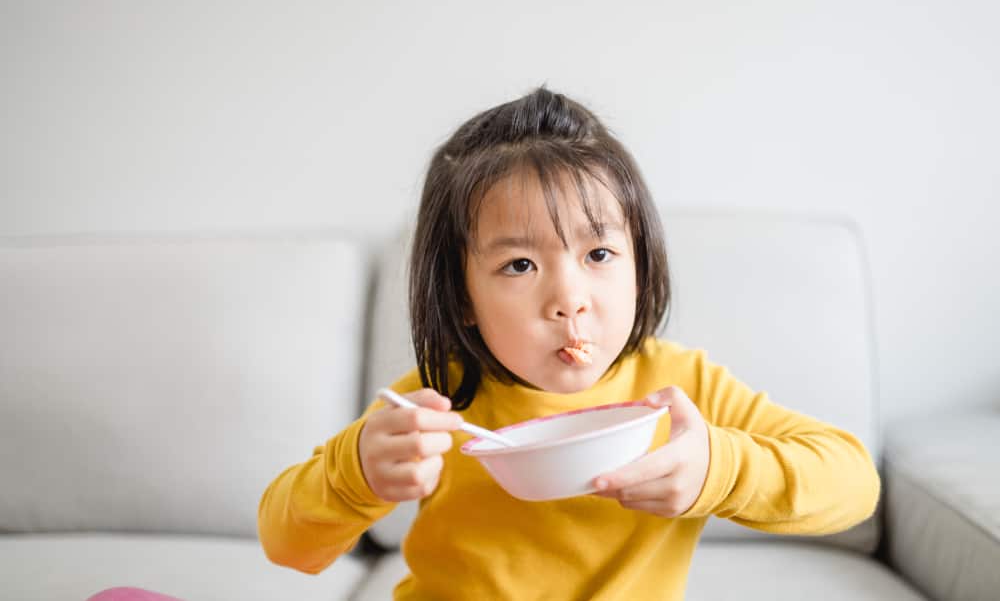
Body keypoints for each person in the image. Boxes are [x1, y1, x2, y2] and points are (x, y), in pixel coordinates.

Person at [257, 87, 881, 600]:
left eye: (600, 253)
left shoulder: (680, 391)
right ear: (462, 298)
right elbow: (286, 544)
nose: (569, 298)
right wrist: (356, 469)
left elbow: (854, 483)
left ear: (642, 265)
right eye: (521, 265)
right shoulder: (437, 402)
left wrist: (717, 468)